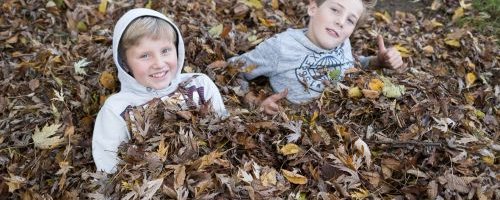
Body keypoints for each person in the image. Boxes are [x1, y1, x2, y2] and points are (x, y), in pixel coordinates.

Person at [92, 8, 227, 173]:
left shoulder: (200, 85)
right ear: (125, 63)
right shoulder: (116, 109)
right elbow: (109, 171)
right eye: (145, 56)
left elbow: (224, 132)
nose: (159, 63)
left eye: (165, 51)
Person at [230, 0, 404, 115]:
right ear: (313, 8)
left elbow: (352, 66)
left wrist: (378, 62)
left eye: (350, 20)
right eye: (335, 10)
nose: (341, 22)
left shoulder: (343, 43)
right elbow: (233, 69)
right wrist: (253, 101)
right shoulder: (280, 47)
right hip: (296, 128)